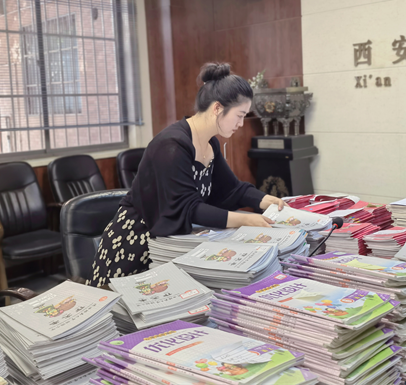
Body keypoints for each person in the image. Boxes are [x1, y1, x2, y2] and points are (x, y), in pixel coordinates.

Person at [87, 63, 284, 286]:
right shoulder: (172, 145)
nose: (240, 124)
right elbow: (187, 207)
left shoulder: (210, 143)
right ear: (217, 108)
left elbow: (231, 189)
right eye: (239, 116)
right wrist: (245, 219)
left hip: (168, 245)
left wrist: (265, 200)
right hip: (135, 244)